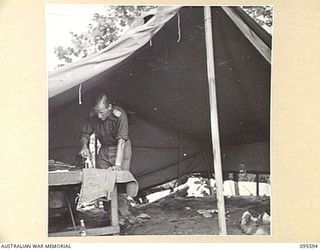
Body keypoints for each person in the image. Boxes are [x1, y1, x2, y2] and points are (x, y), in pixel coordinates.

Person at [79, 93, 132, 224]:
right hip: (104, 149)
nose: (99, 116)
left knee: (120, 183)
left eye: (102, 112)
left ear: (109, 107)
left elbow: (121, 141)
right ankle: (110, 216)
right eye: (97, 113)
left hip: (121, 149)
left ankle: (122, 216)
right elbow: (85, 133)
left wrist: (118, 164)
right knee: (103, 183)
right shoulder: (95, 115)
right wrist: (84, 146)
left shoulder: (120, 115)